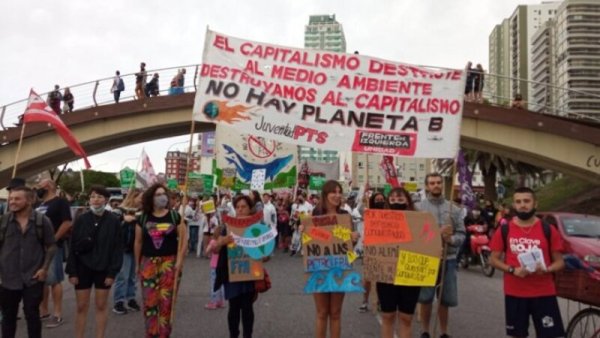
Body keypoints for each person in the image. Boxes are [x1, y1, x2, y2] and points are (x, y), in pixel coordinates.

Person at [489, 187, 565, 338]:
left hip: (544, 293)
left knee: (550, 335)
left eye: (526, 201)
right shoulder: (504, 230)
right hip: (515, 293)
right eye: (518, 202)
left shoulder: (548, 229)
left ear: (535, 204)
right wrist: (512, 270)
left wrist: (547, 269)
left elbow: (560, 263)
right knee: (518, 335)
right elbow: (493, 259)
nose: (522, 205)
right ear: (514, 205)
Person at [65, 185, 123, 338]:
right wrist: (72, 271)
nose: (95, 200)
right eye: (92, 196)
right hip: (82, 267)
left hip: (104, 268)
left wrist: (112, 272)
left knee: (101, 305)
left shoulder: (114, 221)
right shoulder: (81, 219)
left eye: (99, 197)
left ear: (106, 200)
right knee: (81, 306)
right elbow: (72, 246)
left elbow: (117, 249)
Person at [0, 186, 57, 338]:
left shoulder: (41, 221)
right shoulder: (3, 221)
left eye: (17, 199)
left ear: (29, 200)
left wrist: (44, 269)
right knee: (8, 317)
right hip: (7, 278)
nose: (12, 202)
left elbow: (51, 246)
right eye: (11, 199)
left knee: (32, 315)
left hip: (33, 278)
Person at [134, 184, 187, 337]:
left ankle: (164, 335)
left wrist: (179, 261)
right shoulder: (142, 217)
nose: (162, 197)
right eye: (158, 194)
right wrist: (138, 265)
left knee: (167, 303)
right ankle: (151, 334)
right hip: (148, 263)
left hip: (169, 263)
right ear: (151, 198)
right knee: (150, 303)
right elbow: (138, 242)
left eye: (164, 194)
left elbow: (184, 240)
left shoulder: (174, 216)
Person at [416, 173, 465, 338]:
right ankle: (425, 330)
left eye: (438, 182)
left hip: (448, 260)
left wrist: (450, 239)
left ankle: (444, 332)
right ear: (427, 186)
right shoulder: (418, 208)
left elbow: (462, 234)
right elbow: (414, 235)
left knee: (445, 299)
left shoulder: (455, 209)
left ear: (442, 184)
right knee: (425, 298)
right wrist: (436, 234)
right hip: (427, 259)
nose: (436, 185)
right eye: (432, 183)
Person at [309, 180, 359, 338]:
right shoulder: (315, 215)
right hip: (319, 267)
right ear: (325, 194)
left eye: (339, 192)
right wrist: (303, 230)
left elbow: (351, 243)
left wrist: (354, 237)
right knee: (322, 313)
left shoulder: (346, 216)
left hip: (340, 267)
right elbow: (308, 242)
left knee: (336, 313)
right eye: (333, 192)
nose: (337, 195)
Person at [377, 187, 422, 338]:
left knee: (406, 318)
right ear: (388, 202)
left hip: (410, 273)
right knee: (387, 316)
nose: (397, 203)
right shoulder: (379, 221)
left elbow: (427, 242)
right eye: (393, 200)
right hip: (386, 274)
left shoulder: (419, 221)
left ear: (408, 202)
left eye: (401, 200)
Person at [213, 195, 258, 338]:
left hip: (249, 274)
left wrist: (262, 253)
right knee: (233, 308)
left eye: (244, 206)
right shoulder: (227, 226)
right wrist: (221, 241)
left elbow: (266, 255)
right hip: (231, 273)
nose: (240, 210)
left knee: (247, 308)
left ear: (250, 209)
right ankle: (233, 335)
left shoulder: (256, 227)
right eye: (238, 207)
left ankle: (247, 335)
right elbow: (214, 250)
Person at [36, 179, 72, 328]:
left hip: (52, 248)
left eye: (40, 186)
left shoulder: (60, 202)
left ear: (49, 186)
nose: (38, 188)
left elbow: (67, 222)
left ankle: (57, 314)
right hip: (37, 249)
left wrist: (53, 240)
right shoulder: (39, 205)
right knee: (41, 279)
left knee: (54, 280)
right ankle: (43, 311)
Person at [112, 190, 143, 315]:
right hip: (123, 248)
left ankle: (131, 299)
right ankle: (118, 301)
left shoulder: (143, 213)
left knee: (133, 276)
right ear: (133, 197)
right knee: (122, 276)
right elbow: (111, 220)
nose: (142, 200)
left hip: (136, 248)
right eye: (141, 197)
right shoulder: (119, 210)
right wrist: (122, 218)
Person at [358, 192, 386, 313]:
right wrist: (363, 196)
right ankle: (365, 301)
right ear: (373, 201)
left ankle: (380, 301)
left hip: (385, 249)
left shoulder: (389, 214)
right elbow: (359, 208)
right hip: (370, 247)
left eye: (382, 199)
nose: (380, 201)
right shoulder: (368, 213)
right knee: (368, 277)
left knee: (382, 276)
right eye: (377, 200)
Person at [204, 226, 225, 310]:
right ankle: (221, 301)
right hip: (222, 265)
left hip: (214, 266)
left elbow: (207, 251)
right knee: (221, 284)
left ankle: (213, 302)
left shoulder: (213, 242)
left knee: (214, 284)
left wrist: (209, 252)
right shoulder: (224, 242)